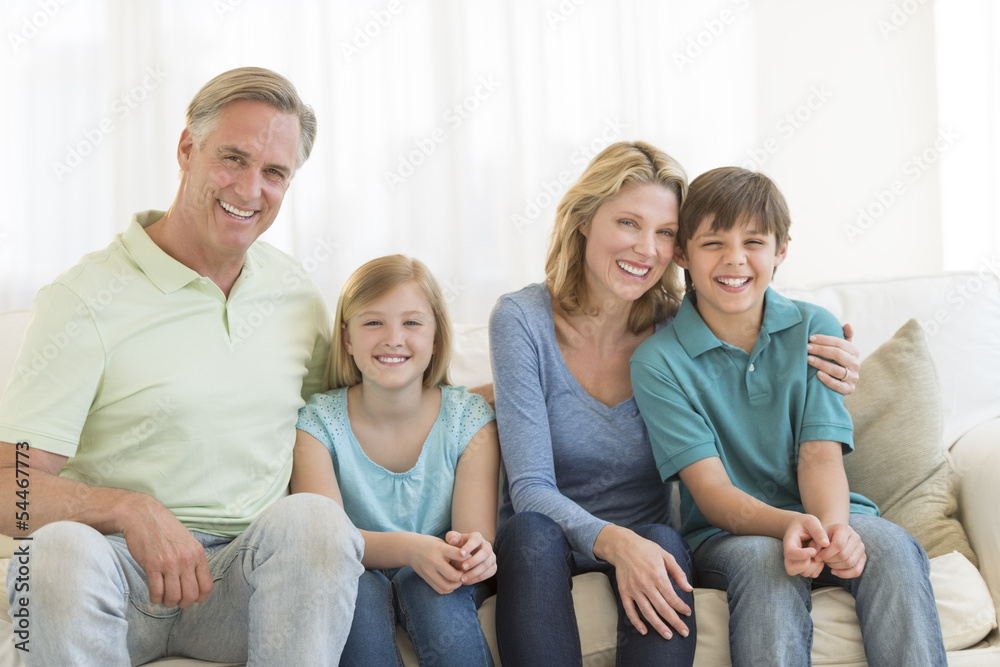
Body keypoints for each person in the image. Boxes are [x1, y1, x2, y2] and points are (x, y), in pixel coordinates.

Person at [0, 67, 364, 665]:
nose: (250, 189)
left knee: (318, 523)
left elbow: (342, 425)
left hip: (240, 582)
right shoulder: (84, 297)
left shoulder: (295, 293)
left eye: (274, 172)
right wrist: (126, 508)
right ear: (186, 150)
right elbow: (11, 489)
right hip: (114, 576)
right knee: (54, 550)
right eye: (233, 159)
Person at [489, 142, 862, 665]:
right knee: (529, 533)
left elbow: (757, 327)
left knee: (664, 539)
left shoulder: (680, 331)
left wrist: (826, 355)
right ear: (583, 220)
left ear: (680, 249)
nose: (646, 248)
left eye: (664, 233)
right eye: (628, 223)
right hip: (545, 543)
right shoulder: (521, 319)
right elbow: (529, 489)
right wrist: (619, 545)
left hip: (653, 535)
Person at [630, 166, 947, 666]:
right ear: (684, 254)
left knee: (890, 546)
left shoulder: (815, 328)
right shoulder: (657, 361)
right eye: (714, 243)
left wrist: (835, 530)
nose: (735, 259)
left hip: (826, 509)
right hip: (727, 536)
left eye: (753, 241)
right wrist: (790, 527)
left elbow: (819, 458)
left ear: (780, 251)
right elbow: (711, 494)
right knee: (765, 559)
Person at [290, 254, 500, 666]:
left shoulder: (469, 419)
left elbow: (475, 535)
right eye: (373, 322)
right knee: (356, 588)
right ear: (347, 339)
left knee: (428, 586)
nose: (393, 338)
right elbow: (330, 544)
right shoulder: (316, 424)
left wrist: (477, 551)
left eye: (412, 322)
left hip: (436, 577)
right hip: (354, 571)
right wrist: (410, 549)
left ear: (437, 336)